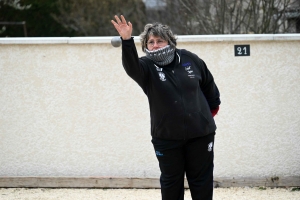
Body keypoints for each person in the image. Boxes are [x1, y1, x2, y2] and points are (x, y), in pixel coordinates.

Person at [111, 15, 220, 200]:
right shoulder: (145, 67)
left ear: (169, 41)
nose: (155, 45)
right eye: (150, 42)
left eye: (159, 40)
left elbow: (209, 88)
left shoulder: (189, 59)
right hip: (167, 138)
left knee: (201, 182)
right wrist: (127, 40)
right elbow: (131, 67)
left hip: (201, 135)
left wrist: (205, 116)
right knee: (171, 183)